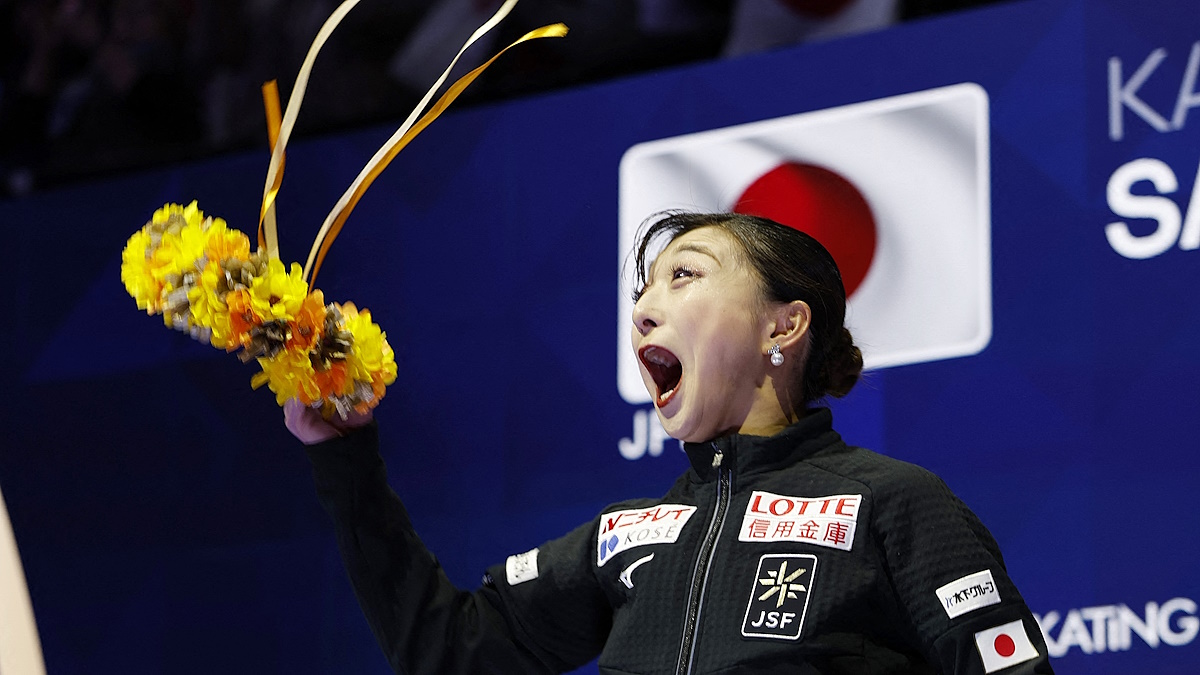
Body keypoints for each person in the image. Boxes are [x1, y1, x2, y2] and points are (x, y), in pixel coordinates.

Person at [285, 211, 1055, 674]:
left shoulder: (890, 503)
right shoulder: (623, 537)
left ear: (783, 325)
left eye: (684, 275)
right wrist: (344, 455)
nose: (644, 310)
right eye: (643, 291)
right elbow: (449, 651)